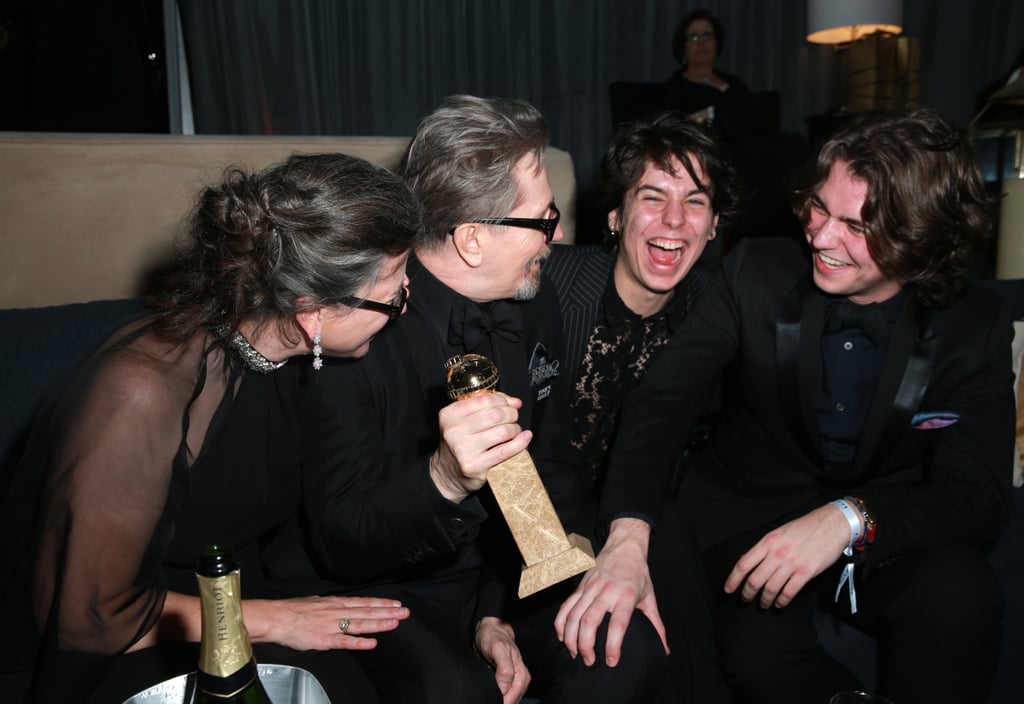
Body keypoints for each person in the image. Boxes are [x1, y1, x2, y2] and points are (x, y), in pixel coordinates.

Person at [601, 106, 1016, 704]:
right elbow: (662, 402)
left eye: (856, 225)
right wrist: (627, 534)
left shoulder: (975, 325)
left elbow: (979, 495)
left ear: (920, 236)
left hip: (891, 528)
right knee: (753, 654)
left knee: (964, 600)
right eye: (818, 208)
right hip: (751, 520)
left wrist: (850, 519)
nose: (820, 237)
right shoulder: (755, 273)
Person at [278, 94, 666, 704]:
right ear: (472, 240)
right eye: (542, 220)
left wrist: (503, 606)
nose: (558, 234)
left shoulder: (535, 297)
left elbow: (553, 462)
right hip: (389, 586)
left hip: (506, 568)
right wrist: (443, 479)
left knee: (625, 649)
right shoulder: (357, 324)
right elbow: (342, 539)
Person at [0, 153, 421, 704]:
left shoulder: (279, 353)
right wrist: (275, 621)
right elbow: (91, 619)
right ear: (312, 311)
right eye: (394, 295)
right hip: (113, 645)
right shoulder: (141, 395)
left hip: (226, 597)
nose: (404, 303)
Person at [543, 112, 740, 703]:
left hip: (653, 519)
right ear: (615, 215)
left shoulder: (721, 307)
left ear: (712, 228)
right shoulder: (551, 288)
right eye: (652, 198)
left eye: (695, 202)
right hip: (542, 528)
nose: (674, 221)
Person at [662, 8, 752, 141]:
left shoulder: (735, 84)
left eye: (707, 35)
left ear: (717, 43)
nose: (701, 42)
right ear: (683, 47)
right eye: (694, 36)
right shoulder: (673, 88)